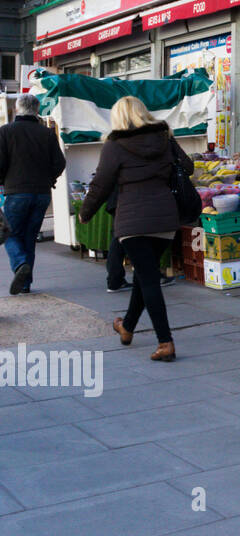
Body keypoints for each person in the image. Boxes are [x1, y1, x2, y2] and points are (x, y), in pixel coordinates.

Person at [78, 96, 193, 362]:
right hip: (165, 218)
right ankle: (127, 327)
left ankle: (166, 342)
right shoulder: (164, 137)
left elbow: (101, 184)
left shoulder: (114, 145)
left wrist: (85, 213)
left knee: (149, 279)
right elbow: (188, 167)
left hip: (133, 220)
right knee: (145, 275)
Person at [0, 94, 66, 295]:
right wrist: (49, 179)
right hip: (42, 193)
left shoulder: (5, 132)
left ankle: (20, 264)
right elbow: (59, 163)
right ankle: (25, 283)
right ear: (37, 110)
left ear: (17, 109)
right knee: (29, 237)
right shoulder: (46, 133)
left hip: (16, 191)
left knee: (9, 233)